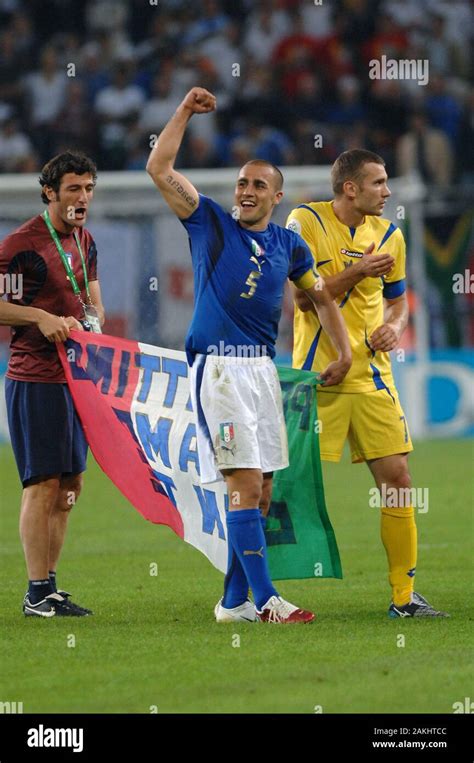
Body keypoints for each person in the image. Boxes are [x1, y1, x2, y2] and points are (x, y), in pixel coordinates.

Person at [146, 87, 352, 624]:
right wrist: (186, 111)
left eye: (259, 184)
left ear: (276, 197)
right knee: (242, 483)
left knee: (261, 490)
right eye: (241, 182)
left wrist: (346, 350)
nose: (246, 190)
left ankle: (233, 601)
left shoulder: (290, 246)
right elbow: (158, 166)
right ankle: (268, 601)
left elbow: (321, 294)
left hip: (261, 370)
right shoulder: (209, 224)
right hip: (218, 369)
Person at [287, 149, 448, 618]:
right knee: (271, 488)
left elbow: (399, 302)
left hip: (373, 378)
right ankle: (245, 594)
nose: (388, 191)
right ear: (350, 188)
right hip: (318, 378)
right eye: (378, 183)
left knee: (398, 481)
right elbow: (303, 299)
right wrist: (357, 270)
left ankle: (403, 597)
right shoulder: (307, 221)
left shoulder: (390, 234)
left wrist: (395, 328)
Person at [0, 150, 105, 617]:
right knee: (42, 484)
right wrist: (40, 316)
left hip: (75, 378)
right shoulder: (21, 245)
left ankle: (50, 588)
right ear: (49, 192)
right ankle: (36, 590)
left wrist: (94, 323)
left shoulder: (85, 241)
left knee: (70, 485)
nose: (82, 199)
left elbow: (92, 300)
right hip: (35, 377)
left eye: (88, 189)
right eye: (73, 190)